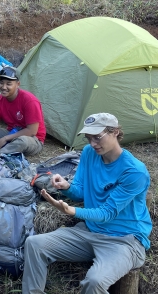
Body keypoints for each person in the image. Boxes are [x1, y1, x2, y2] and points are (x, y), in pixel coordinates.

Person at [22, 113, 152, 294]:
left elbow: (107, 213)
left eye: (97, 137)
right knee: (35, 244)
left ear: (114, 132)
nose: (92, 144)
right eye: (89, 138)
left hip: (124, 240)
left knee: (95, 281)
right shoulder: (89, 153)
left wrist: (71, 211)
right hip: (90, 231)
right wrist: (66, 186)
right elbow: (81, 191)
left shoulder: (134, 172)